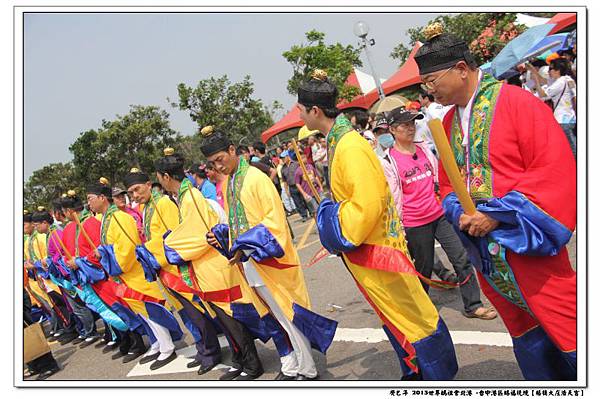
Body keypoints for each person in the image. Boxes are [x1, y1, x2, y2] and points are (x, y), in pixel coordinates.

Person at [414, 22, 576, 380]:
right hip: (487, 256)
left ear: (460, 69)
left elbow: (555, 171)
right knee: (523, 331)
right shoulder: (451, 123)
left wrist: (496, 215)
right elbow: (446, 186)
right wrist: (462, 214)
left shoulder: (518, 103)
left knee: (568, 326)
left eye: (431, 81)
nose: (428, 91)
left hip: (527, 247)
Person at [297, 69, 457, 380]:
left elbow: (366, 205)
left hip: (377, 251)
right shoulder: (339, 141)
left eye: (302, 110)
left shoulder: (349, 146)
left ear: (315, 111)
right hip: (371, 252)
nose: (300, 115)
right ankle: (418, 374)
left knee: (412, 317)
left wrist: (333, 224)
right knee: (400, 315)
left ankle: (435, 376)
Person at [201, 126, 338, 381]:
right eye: (212, 163)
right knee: (277, 318)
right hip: (251, 262)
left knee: (290, 315)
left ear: (232, 151)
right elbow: (236, 223)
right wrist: (223, 234)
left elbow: (274, 222)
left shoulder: (254, 177)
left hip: (270, 260)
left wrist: (245, 242)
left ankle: (308, 370)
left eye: (220, 159)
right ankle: (295, 365)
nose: (217, 167)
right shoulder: (231, 182)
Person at [151, 152, 267, 380]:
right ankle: (240, 360)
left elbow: (197, 235)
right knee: (223, 318)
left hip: (213, 267)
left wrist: (167, 245)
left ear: (166, 177)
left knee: (233, 317)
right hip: (204, 268)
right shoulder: (183, 196)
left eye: (159, 178)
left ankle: (252, 365)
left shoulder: (190, 196)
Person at [377, 106, 497, 320]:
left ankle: (473, 305)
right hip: (414, 222)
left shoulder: (424, 148)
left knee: (462, 258)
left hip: (439, 215)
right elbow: (394, 197)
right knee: (423, 268)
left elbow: (440, 179)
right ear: (393, 130)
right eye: (405, 125)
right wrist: (398, 229)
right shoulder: (388, 161)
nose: (411, 128)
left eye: (413, 123)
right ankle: (421, 310)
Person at [88, 177, 184, 364]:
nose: (88, 203)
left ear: (102, 198)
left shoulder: (119, 218)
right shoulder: (109, 219)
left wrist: (107, 257)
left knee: (150, 309)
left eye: (91, 198)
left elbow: (127, 249)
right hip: (124, 276)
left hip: (132, 273)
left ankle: (167, 346)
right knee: (141, 312)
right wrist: (103, 252)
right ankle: (157, 343)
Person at [527, 57, 577, 158]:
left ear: (557, 70)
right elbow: (545, 81)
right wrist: (533, 70)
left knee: (571, 150)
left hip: (563, 120)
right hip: (569, 118)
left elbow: (543, 95)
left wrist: (536, 81)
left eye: (550, 69)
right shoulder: (566, 79)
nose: (548, 71)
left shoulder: (561, 82)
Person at [281, 150, 309, 222]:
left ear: (288, 157)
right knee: (297, 202)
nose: (282, 160)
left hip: (300, 185)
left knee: (304, 199)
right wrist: (287, 190)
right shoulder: (282, 169)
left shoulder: (296, 164)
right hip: (291, 187)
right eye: (282, 158)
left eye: (284, 158)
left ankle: (311, 211)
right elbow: (284, 181)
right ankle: (304, 215)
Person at [294, 151, 323, 217]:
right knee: (315, 211)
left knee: (323, 206)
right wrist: (304, 194)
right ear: (298, 160)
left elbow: (316, 176)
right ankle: (319, 224)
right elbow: (297, 184)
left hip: (317, 190)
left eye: (304, 157)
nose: (304, 159)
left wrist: (321, 187)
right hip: (308, 194)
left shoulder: (310, 166)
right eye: (302, 158)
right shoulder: (298, 171)